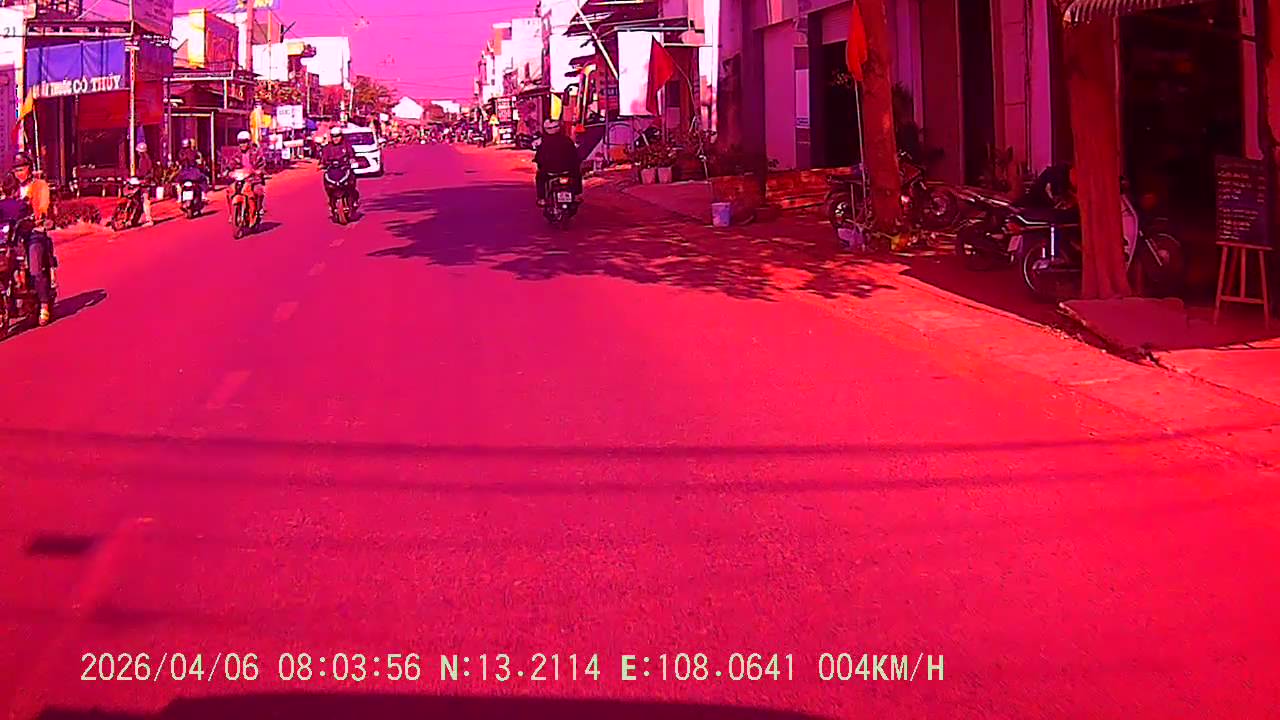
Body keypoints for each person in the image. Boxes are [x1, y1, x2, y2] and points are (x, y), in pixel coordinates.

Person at [9, 153, 55, 325]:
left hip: (35, 230)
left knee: (35, 268)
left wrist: (39, 214)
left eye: (22, 169)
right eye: (16, 170)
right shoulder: (11, 189)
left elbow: (43, 204)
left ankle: (44, 305)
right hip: (14, 233)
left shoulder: (40, 185)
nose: (19, 173)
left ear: (29, 168)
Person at [532, 118, 581, 206]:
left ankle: (541, 198)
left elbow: (539, 157)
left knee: (540, 177)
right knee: (577, 174)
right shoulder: (567, 140)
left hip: (550, 171)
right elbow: (575, 156)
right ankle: (577, 195)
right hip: (567, 170)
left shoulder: (544, 142)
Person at [227, 130, 266, 221]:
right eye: (241, 142)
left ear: (249, 142)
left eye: (244, 142)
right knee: (229, 191)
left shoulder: (256, 153)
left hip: (254, 179)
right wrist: (228, 171)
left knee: (258, 191)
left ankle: (259, 209)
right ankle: (231, 214)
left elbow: (262, 164)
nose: (243, 144)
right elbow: (231, 165)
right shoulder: (236, 154)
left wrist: (259, 171)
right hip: (240, 179)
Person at [318, 125, 360, 207]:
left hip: (345, 169)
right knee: (327, 184)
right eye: (333, 136)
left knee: (351, 183)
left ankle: (353, 200)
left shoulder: (347, 146)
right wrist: (322, 164)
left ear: (341, 136)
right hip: (332, 170)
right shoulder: (327, 148)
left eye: (337, 136)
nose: (335, 138)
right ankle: (332, 203)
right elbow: (323, 159)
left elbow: (352, 156)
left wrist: (352, 161)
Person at [135, 141, 155, 226]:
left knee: (146, 201)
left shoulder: (145, 160)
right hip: (143, 181)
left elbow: (145, 172)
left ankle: (149, 219)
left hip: (145, 182)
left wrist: (140, 176)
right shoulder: (143, 160)